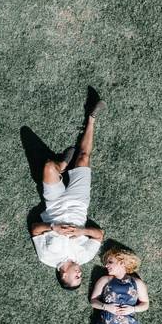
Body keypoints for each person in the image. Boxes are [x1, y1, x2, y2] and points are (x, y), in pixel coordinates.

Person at [29, 98, 106, 289]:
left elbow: (35, 229)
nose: (80, 273)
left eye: (76, 277)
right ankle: (92, 118)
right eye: (81, 276)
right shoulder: (85, 256)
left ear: (63, 275)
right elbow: (99, 235)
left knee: (48, 167)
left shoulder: (46, 257)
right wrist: (82, 231)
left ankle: (61, 166)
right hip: (78, 204)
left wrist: (53, 227)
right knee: (83, 158)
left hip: (54, 205)